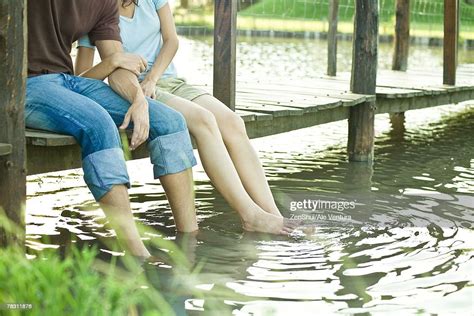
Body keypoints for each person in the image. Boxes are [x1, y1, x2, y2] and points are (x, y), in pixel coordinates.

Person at [75, 0, 298, 236]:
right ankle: (250, 215)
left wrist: (153, 76)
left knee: (233, 123)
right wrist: (120, 69)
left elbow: (171, 41)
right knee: (204, 119)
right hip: (134, 89)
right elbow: (81, 80)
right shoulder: (96, 10)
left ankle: (273, 215)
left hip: (167, 80)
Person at [26, 0, 199, 259]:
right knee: (99, 124)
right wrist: (115, 63)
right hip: (24, 83)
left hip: (68, 80)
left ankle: (189, 244)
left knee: (170, 122)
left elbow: (119, 65)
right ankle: (138, 255)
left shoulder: (104, 3)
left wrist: (139, 100)